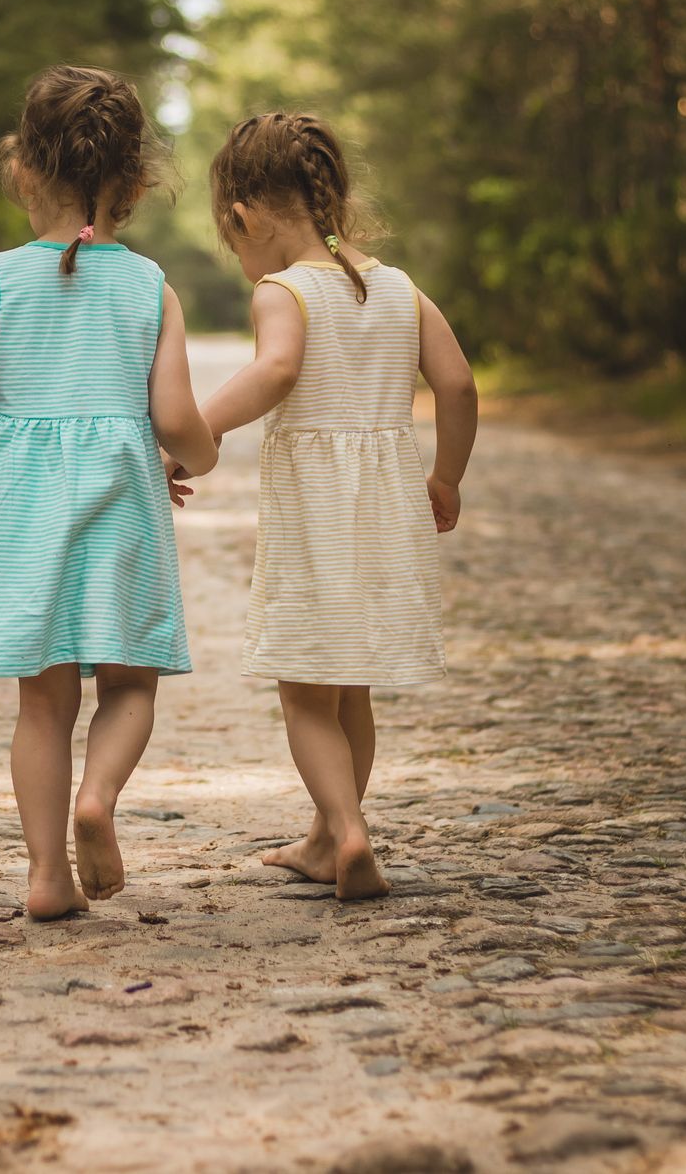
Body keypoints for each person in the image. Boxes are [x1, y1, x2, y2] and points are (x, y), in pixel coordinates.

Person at [0, 65, 217, 919]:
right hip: (121, 502)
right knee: (130, 684)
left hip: (23, 511)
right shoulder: (149, 287)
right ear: (134, 183)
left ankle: (45, 876)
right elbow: (175, 417)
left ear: (23, 170)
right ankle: (97, 799)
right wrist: (192, 458)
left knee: (42, 702)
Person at [188, 111, 476, 900]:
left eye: (230, 239)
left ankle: (347, 837)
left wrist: (195, 428)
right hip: (386, 509)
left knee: (303, 686)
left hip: (317, 515)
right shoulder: (397, 288)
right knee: (351, 684)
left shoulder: (285, 292)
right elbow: (455, 384)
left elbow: (277, 372)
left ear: (244, 217)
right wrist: (445, 477)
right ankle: (328, 836)